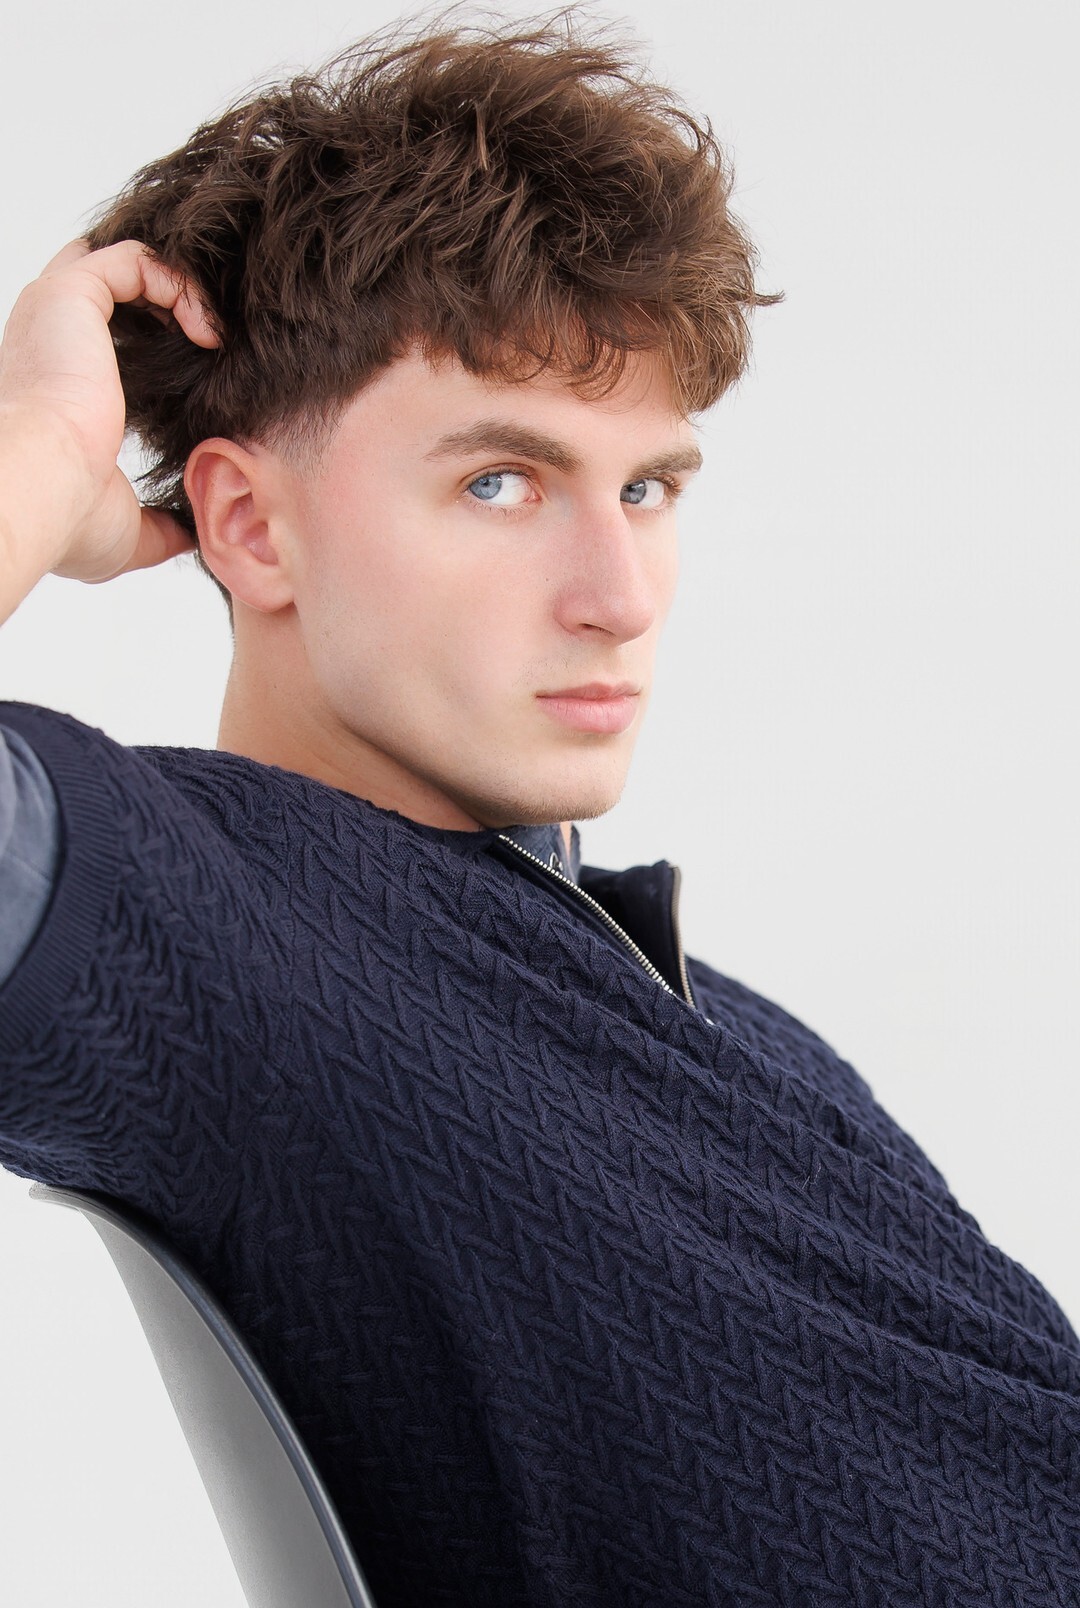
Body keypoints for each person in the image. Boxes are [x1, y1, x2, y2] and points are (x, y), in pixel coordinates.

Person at [1, 13, 1078, 1607]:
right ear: (248, 524)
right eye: (499, 483)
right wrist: (38, 447)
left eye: (646, 489)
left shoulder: (757, 1048)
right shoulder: (209, 926)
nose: (619, 596)